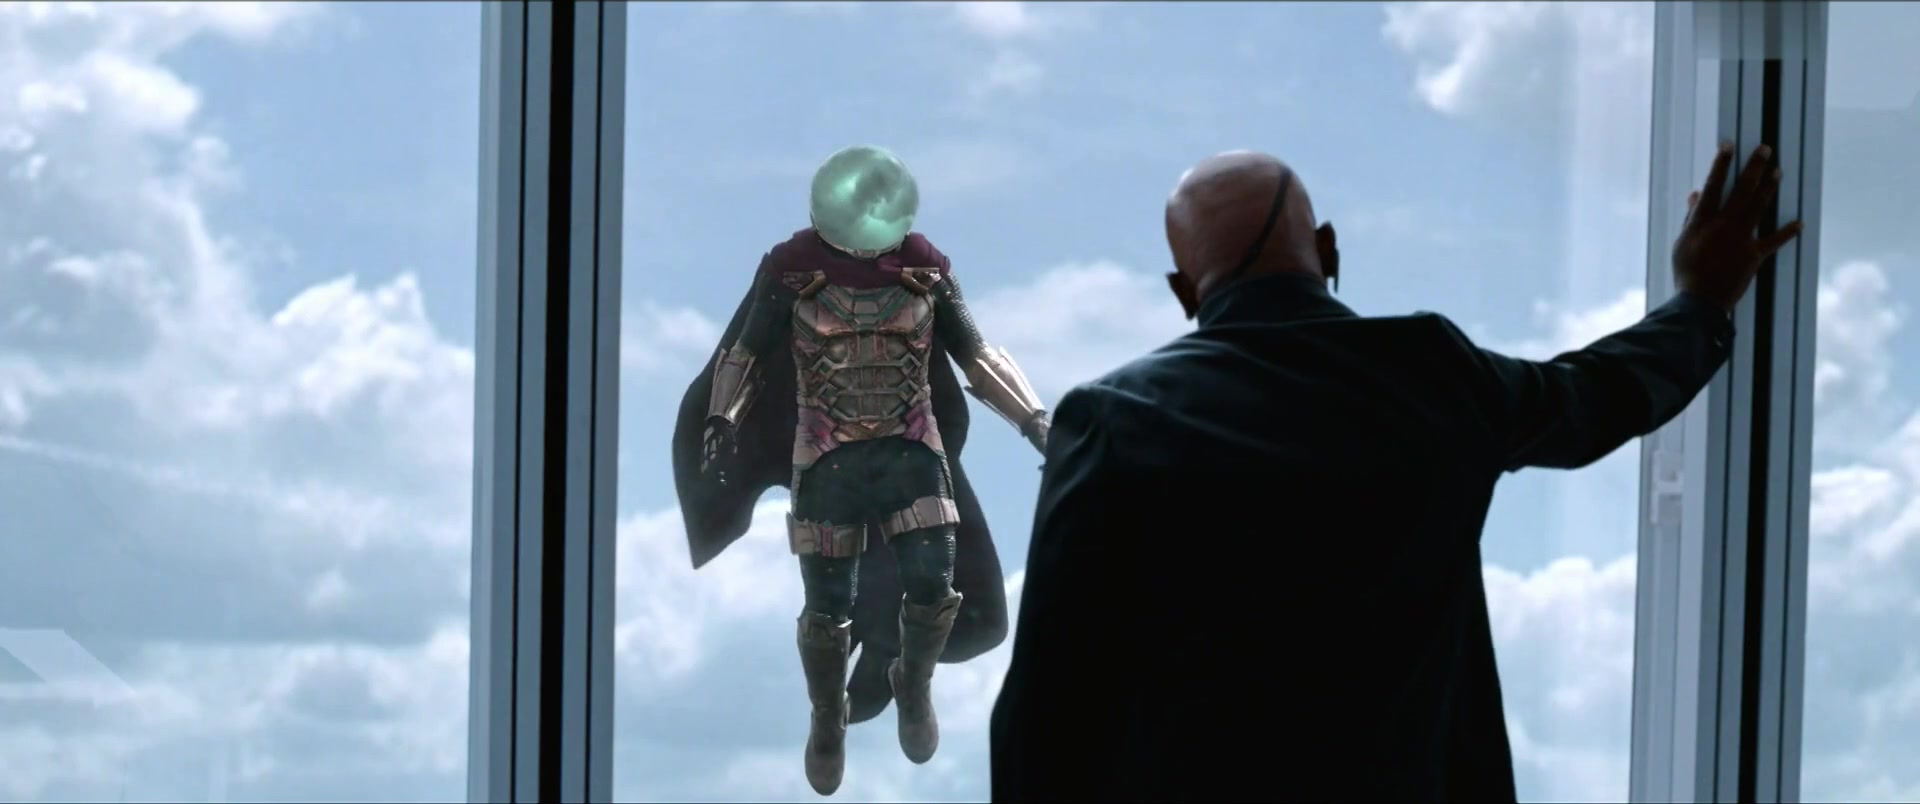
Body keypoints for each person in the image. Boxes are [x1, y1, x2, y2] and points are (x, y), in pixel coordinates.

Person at [988, 145, 1801, 802]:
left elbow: (1046, 704)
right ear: (1328, 249)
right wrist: (1702, 301)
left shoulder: (1113, 419)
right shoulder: (1433, 374)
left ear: (1181, 290)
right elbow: (1600, 395)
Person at [672, 145, 1051, 796]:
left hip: (912, 447)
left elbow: (976, 355)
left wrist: (1034, 419)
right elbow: (747, 355)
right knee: (827, 606)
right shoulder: (792, 271)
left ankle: (912, 681)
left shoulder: (925, 270)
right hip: (827, 453)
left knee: (938, 588)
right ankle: (828, 716)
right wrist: (722, 418)